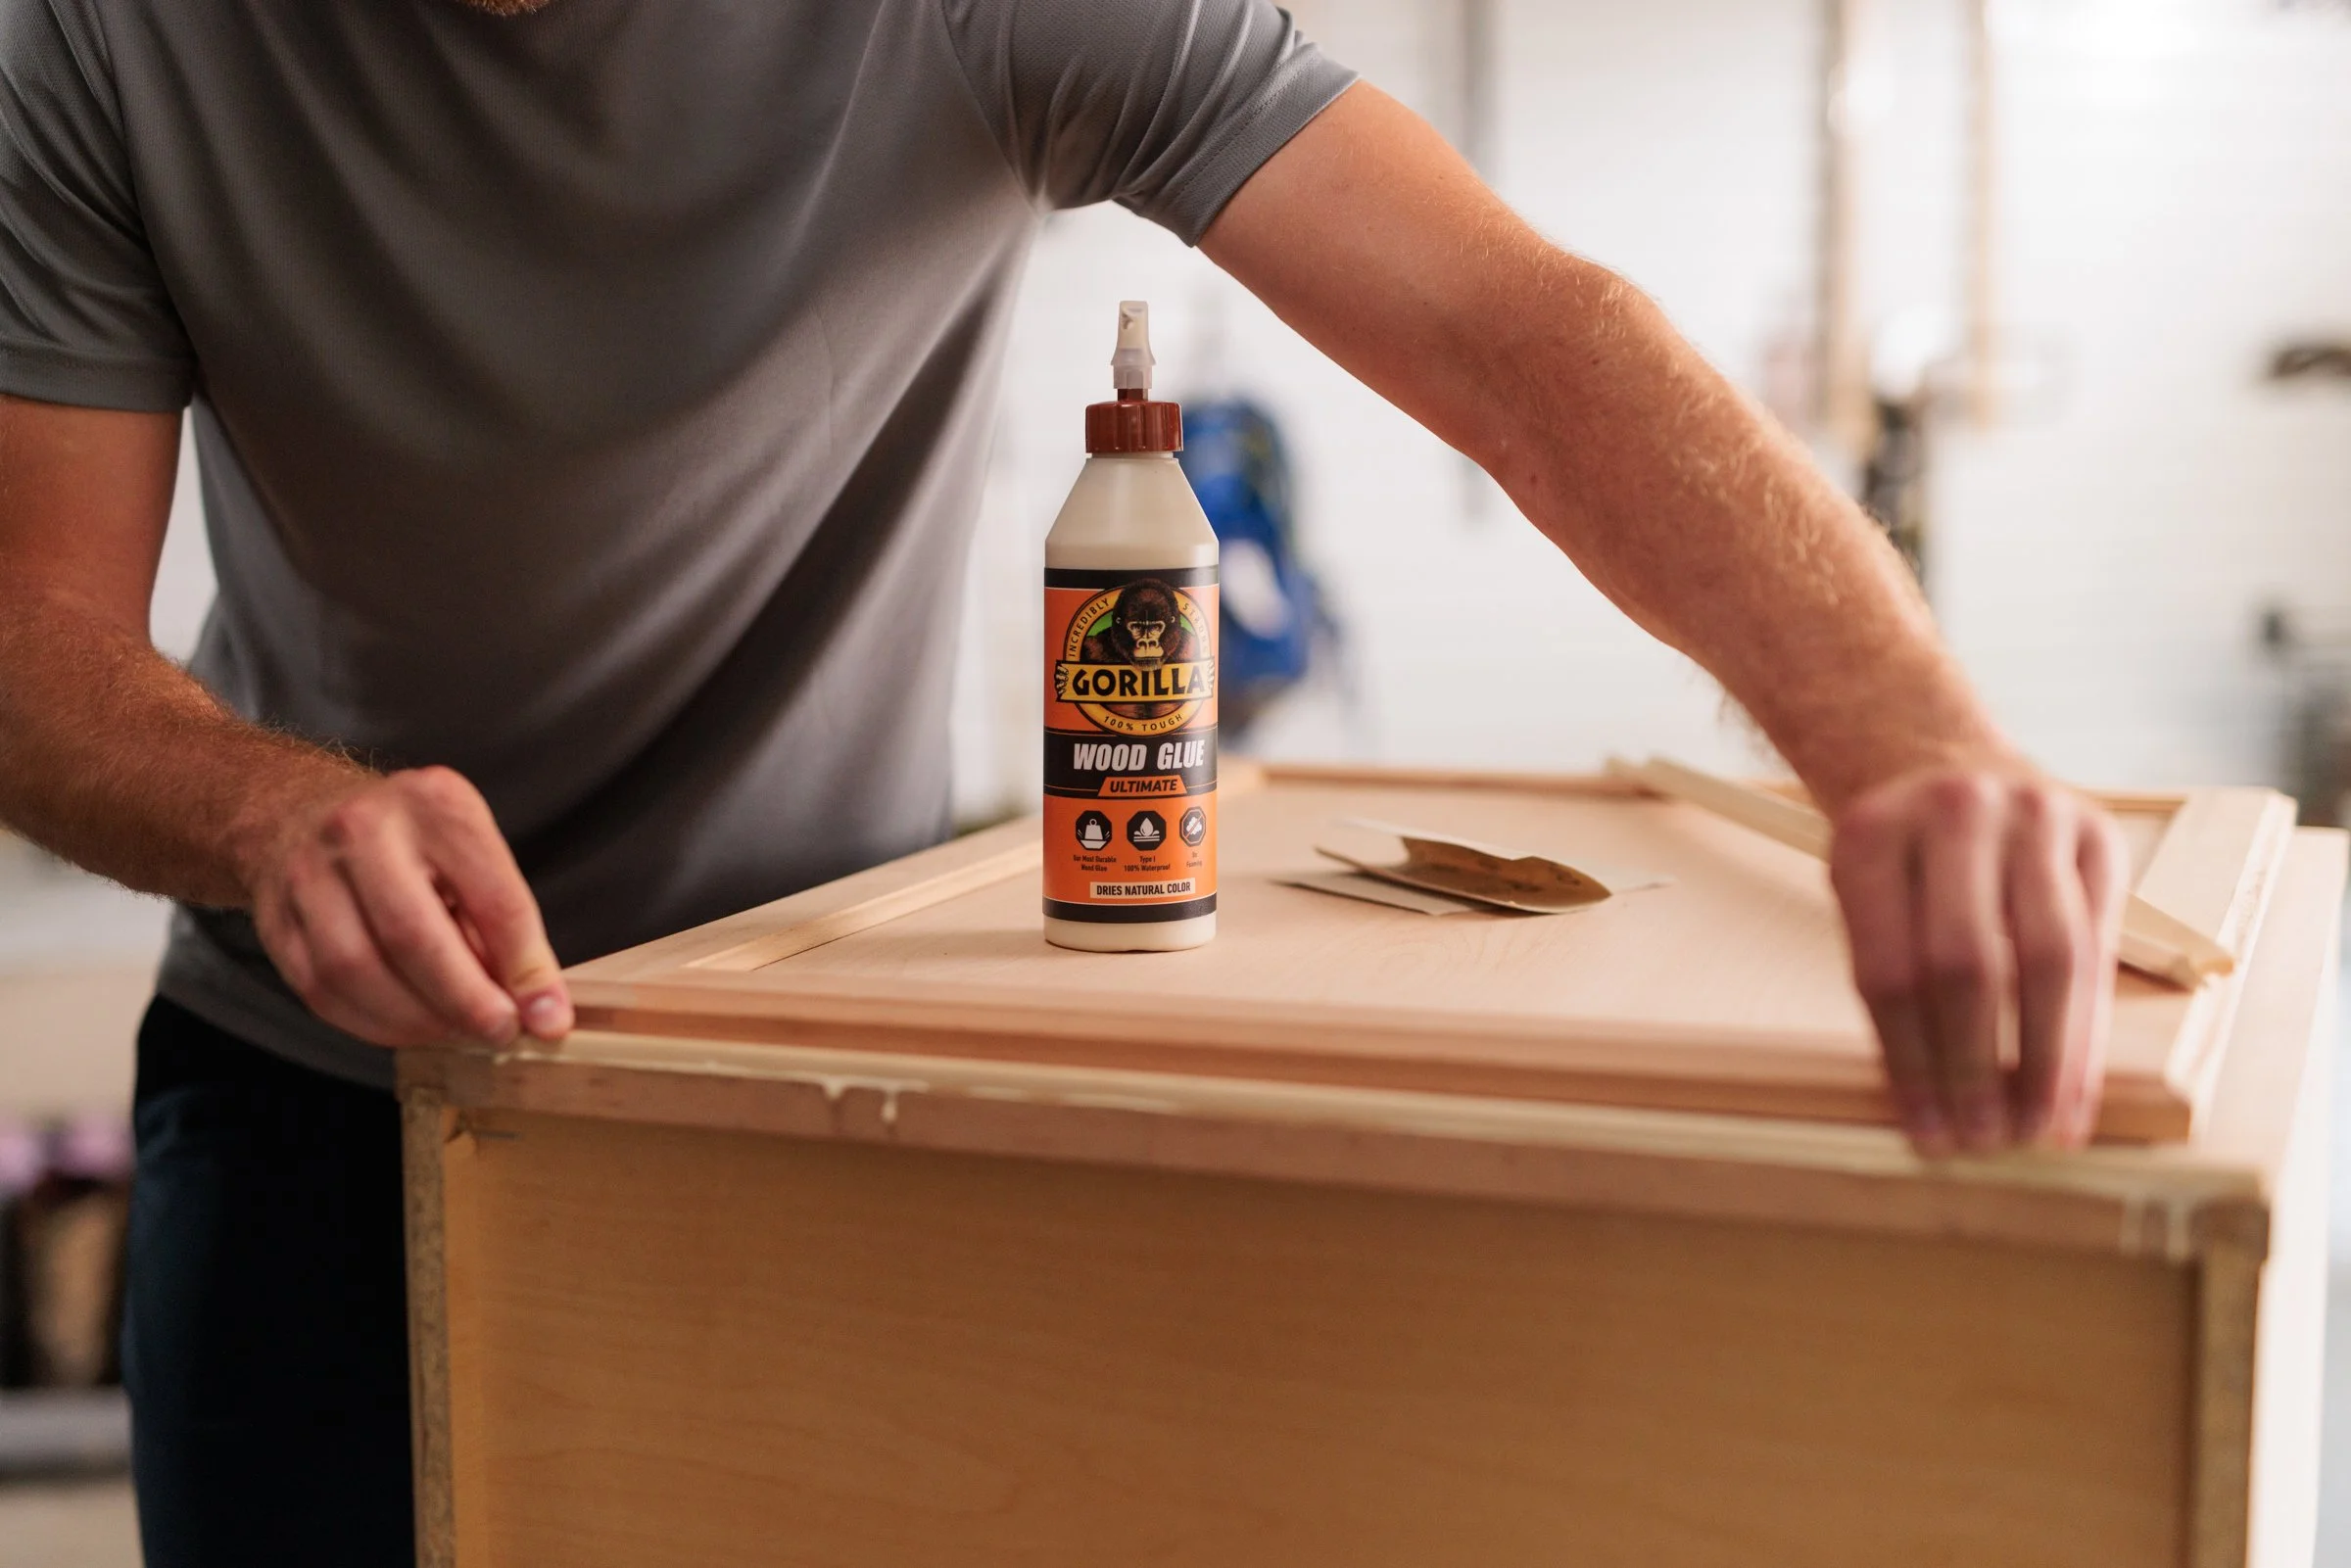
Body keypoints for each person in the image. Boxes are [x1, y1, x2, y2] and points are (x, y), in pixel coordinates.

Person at [0, 0, 2125, 1560]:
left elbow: (1521, 337)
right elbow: (32, 639)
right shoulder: (101, 34)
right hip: (318, 1095)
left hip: (820, 1085)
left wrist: (1906, 744)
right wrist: (267, 811)